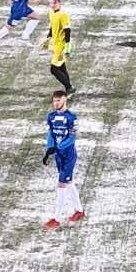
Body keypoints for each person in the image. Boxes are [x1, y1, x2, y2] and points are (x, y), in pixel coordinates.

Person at [42, 90, 84, 230]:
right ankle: (79, 211)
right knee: (69, 182)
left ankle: (56, 219)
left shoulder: (72, 118)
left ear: (65, 100)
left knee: (61, 185)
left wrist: (58, 147)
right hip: (58, 155)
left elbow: (72, 138)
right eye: (54, 101)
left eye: (58, 100)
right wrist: (49, 149)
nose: (55, 103)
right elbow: (50, 134)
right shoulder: (51, 116)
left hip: (68, 156)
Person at [42, 0, 74, 95]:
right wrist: (48, 39)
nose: (52, 5)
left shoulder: (63, 15)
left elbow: (67, 30)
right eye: (50, 3)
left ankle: (69, 88)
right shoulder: (51, 12)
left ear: (59, 3)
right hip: (55, 45)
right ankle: (69, 88)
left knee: (54, 69)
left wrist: (67, 45)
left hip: (61, 46)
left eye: (54, 3)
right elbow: (52, 26)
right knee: (61, 67)